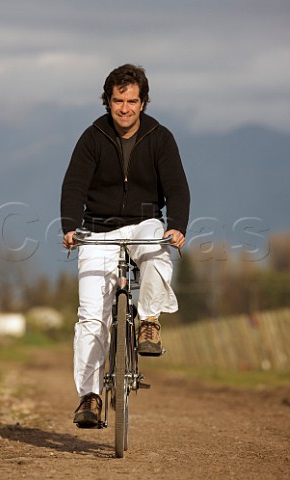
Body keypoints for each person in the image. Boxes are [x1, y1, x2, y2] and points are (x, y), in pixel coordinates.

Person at [61, 64, 190, 428]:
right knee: (90, 318)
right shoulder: (92, 137)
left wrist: (177, 225)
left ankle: (148, 321)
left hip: (144, 221)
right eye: (118, 101)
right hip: (97, 229)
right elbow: (73, 185)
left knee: (156, 250)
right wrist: (70, 227)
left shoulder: (160, 138)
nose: (125, 108)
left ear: (143, 102)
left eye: (132, 101)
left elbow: (177, 186)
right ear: (108, 101)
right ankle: (90, 397)